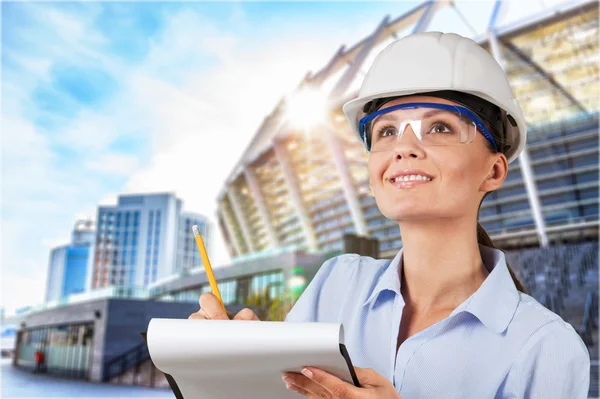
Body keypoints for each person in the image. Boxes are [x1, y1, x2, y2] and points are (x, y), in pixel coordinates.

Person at [190, 32, 590, 398]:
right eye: (386, 131)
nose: (405, 147)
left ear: (494, 170)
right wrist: (239, 374)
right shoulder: (337, 283)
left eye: (439, 128)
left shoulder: (545, 345)